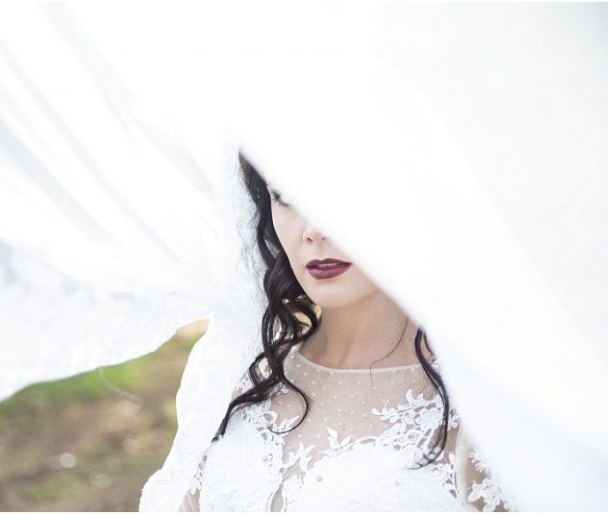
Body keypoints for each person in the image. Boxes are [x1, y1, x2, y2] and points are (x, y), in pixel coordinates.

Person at [177, 153, 516, 511]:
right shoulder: (234, 373)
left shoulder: (486, 408)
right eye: (286, 196)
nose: (313, 229)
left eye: (346, 192)